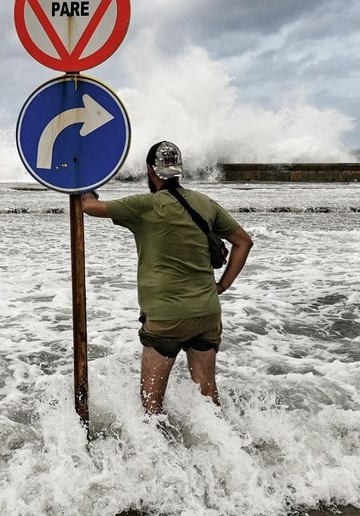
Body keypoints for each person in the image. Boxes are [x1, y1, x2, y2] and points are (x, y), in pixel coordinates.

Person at [80, 141, 253, 415]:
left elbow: (88, 206)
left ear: (151, 170)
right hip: (207, 313)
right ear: (178, 171)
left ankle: (160, 456)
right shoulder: (204, 203)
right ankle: (222, 451)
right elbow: (243, 242)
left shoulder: (145, 205)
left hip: (166, 319)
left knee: (151, 403)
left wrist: (83, 180)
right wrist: (222, 285)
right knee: (208, 397)